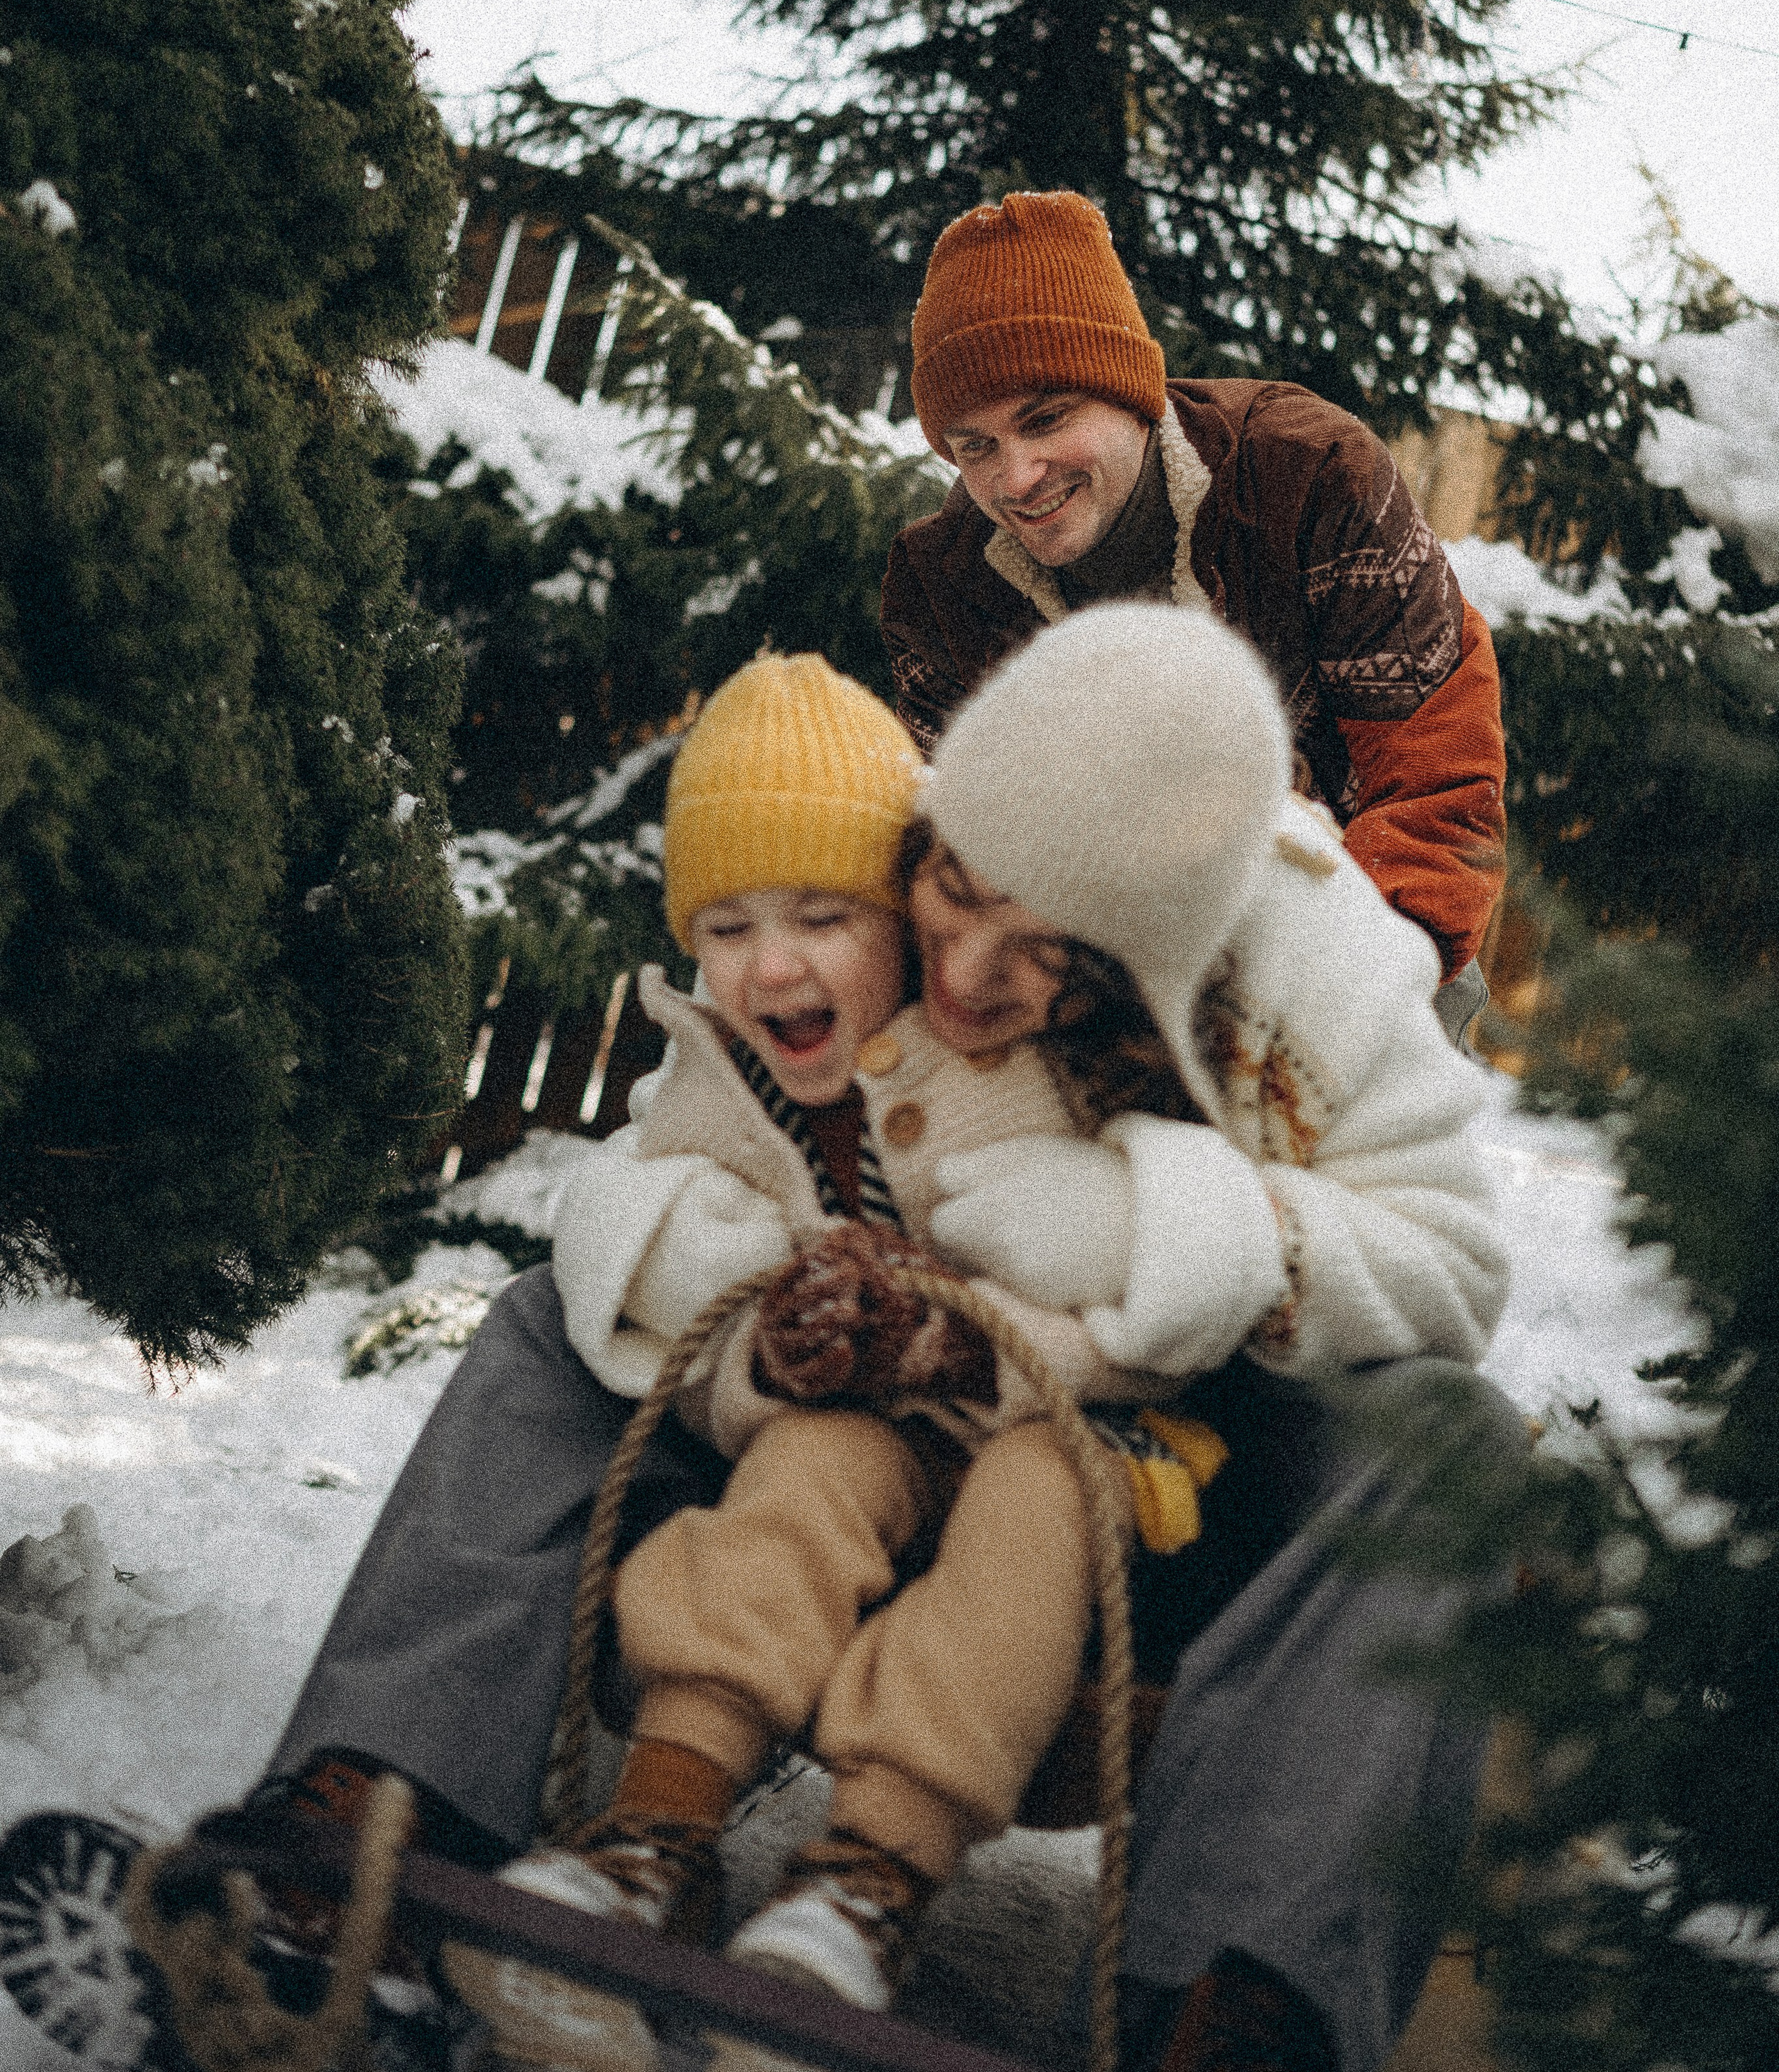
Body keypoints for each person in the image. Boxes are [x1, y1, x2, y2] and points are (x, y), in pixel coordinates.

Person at [263, 609, 1514, 2072]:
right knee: (557, 1320)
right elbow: (709, 1117)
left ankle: (1232, 2006)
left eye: (1052, 954)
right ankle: (378, 1823)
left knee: (1452, 1440)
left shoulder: (1311, 975)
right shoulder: (866, 858)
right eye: (957, 889)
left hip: (1149, 1505)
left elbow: (1453, 1264)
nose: (969, 973)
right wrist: (749, 1306)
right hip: (837, 1446)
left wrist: (1141, 1229)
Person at [877, 190, 1509, 1045]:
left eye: (1046, 418)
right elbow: (968, 844)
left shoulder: (1308, 476)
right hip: (1093, 973)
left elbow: (1433, 775)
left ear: (1127, 391)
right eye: (974, 445)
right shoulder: (941, 588)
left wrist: (1346, 995)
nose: (1016, 476)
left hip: (1364, 924)